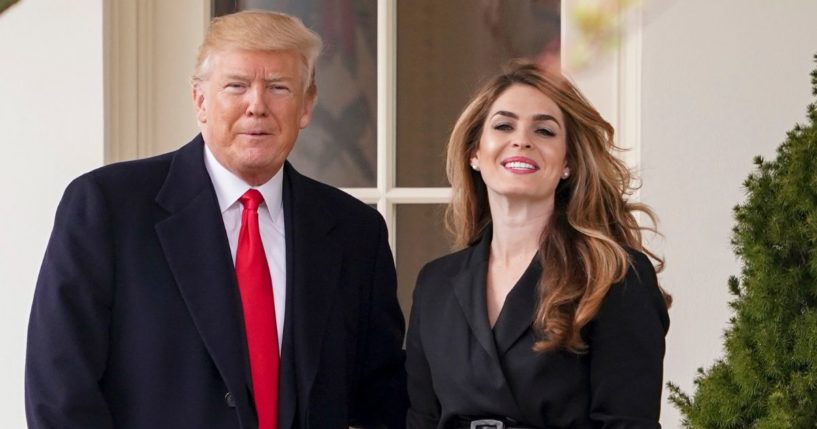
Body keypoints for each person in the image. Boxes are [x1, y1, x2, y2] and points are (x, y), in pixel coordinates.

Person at [26, 10, 407, 429]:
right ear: (200, 100)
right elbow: (61, 390)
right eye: (236, 86)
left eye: (278, 88)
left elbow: (382, 399)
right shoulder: (108, 208)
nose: (257, 106)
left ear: (307, 106)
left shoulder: (356, 232)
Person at [405, 61, 671, 428]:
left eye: (544, 131)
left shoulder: (614, 274)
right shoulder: (435, 283)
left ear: (569, 164)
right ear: (475, 153)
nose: (522, 140)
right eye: (503, 125)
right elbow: (421, 419)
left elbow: (627, 423)